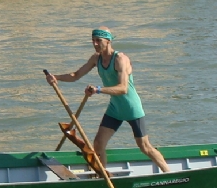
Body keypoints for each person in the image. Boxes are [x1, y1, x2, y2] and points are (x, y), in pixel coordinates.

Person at [46, 26, 171, 173]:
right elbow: (76, 75)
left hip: (131, 108)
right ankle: (102, 175)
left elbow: (123, 88)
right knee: (98, 144)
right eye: (93, 41)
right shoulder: (95, 58)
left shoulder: (120, 59)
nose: (95, 44)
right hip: (115, 109)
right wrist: (56, 77)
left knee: (144, 146)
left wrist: (98, 90)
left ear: (109, 41)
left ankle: (168, 173)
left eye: (98, 41)